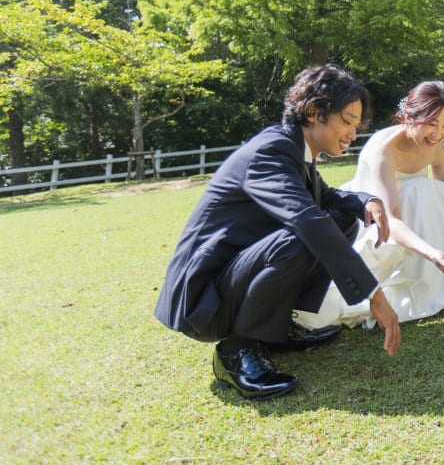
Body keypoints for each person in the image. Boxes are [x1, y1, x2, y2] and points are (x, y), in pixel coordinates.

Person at [154, 66, 401, 401]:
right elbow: (307, 219)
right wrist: (373, 293)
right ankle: (235, 352)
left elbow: (325, 198)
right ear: (315, 112)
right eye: (347, 120)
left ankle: (275, 329)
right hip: (203, 301)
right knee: (304, 234)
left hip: (231, 279)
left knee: (341, 218)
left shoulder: (293, 149)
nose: (353, 132)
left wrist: (365, 201)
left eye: (357, 124)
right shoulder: (271, 151)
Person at [294, 80, 444, 328]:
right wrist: (433, 254)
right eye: (431, 124)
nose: (438, 134)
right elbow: (391, 217)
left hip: (417, 213)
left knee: (424, 189)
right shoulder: (384, 150)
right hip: (375, 217)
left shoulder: (438, 147)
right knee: (416, 190)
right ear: (407, 117)